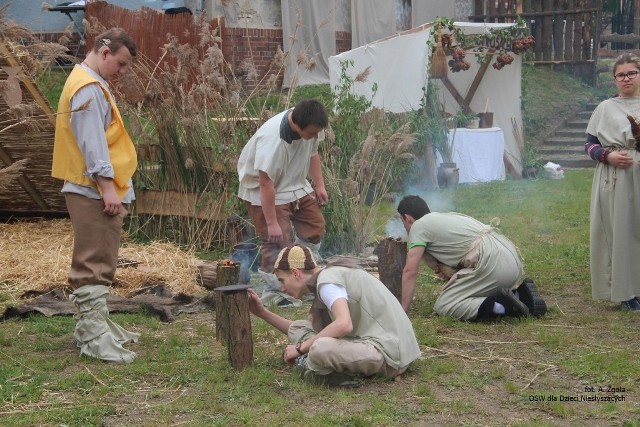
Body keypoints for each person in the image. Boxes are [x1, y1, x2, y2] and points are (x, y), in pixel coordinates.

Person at [51, 28, 140, 363]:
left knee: (102, 256)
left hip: (97, 189)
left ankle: (99, 324)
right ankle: (93, 337)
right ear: (104, 52)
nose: (122, 71)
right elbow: (92, 144)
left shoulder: (88, 81)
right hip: (93, 190)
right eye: (120, 63)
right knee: (93, 261)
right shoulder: (87, 87)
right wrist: (107, 189)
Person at [246, 244, 421, 386]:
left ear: (296, 272)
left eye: (282, 280)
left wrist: (300, 349)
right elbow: (317, 328)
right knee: (301, 327)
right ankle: (316, 364)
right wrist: (262, 313)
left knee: (319, 348)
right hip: (381, 342)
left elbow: (344, 325)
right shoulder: (327, 276)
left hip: (390, 355)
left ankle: (314, 369)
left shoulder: (327, 282)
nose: (282, 289)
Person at [237, 99, 329, 307]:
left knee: (314, 228)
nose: (316, 136)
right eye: (312, 132)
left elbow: (313, 154)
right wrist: (271, 223)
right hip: (267, 192)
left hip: (296, 184)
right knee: (277, 243)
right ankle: (277, 290)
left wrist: (320, 185)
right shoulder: (272, 141)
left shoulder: (311, 123)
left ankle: (303, 277)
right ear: (298, 124)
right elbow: (265, 183)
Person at [397, 195, 547, 321]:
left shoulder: (418, 226)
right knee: (471, 294)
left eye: (402, 221)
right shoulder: (442, 218)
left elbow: (410, 271)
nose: (404, 227)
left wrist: (402, 312)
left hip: (493, 263)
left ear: (408, 218)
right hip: (510, 260)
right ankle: (521, 295)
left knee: (445, 304)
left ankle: (507, 307)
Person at [584, 53, 640, 312]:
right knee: (621, 230)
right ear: (614, 79)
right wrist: (607, 155)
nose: (626, 78)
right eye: (621, 75)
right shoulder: (605, 108)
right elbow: (589, 144)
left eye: (632, 73)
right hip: (616, 177)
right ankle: (625, 291)